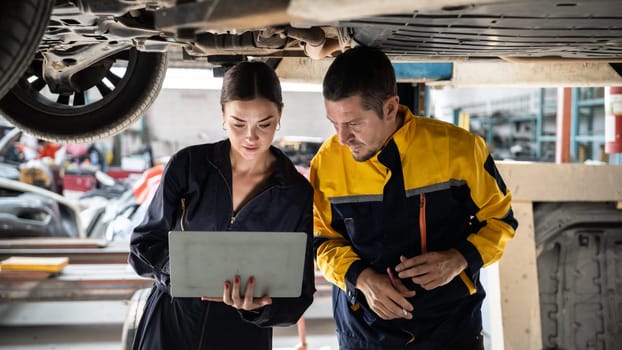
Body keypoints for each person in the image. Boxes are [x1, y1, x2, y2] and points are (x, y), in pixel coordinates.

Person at [310, 46, 518, 350]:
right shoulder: (326, 162)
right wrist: (362, 278)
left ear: (390, 108)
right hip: (364, 335)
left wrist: (460, 259)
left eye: (354, 124)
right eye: (334, 124)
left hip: (451, 330)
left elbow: (501, 221)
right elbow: (321, 242)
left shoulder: (458, 149)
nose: (342, 139)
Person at [129, 61, 315, 350]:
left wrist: (257, 307)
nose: (251, 137)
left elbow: (299, 297)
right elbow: (142, 247)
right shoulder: (188, 166)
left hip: (242, 336)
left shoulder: (295, 192)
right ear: (223, 115)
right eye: (238, 123)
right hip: (172, 326)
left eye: (264, 124)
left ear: (280, 113)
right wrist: (184, 273)